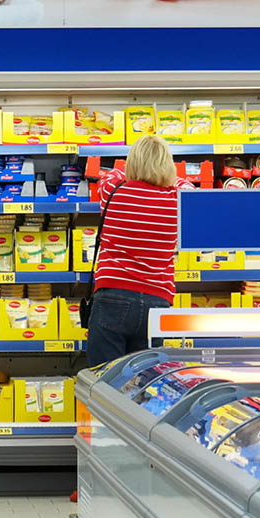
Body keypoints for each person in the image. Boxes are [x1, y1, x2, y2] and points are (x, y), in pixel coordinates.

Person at [85, 135, 192, 366]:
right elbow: (185, 185)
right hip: (157, 300)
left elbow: (115, 172)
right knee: (144, 382)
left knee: (103, 380)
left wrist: (138, 167)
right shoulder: (177, 199)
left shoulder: (112, 190)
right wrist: (163, 173)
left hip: (113, 293)